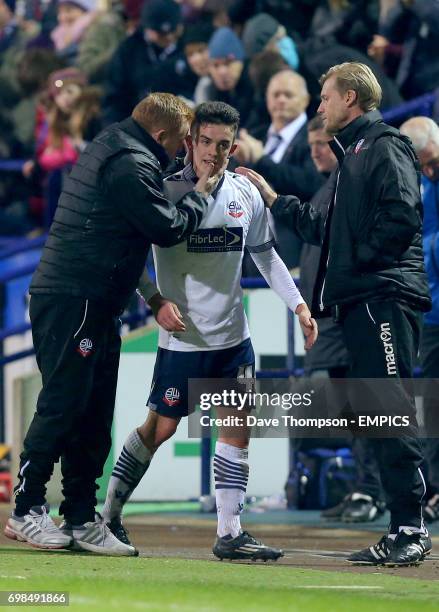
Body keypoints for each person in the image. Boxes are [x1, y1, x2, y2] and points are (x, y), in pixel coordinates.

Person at [101, 101, 318, 561]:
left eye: (223, 145)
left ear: (234, 147)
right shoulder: (162, 193)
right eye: (205, 143)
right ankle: (109, 515)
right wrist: (155, 301)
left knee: (237, 431)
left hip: (233, 342)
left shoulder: (247, 194)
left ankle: (229, 532)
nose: (214, 154)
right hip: (183, 342)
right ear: (188, 143)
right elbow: (127, 256)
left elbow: (265, 256)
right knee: (159, 429)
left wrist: (298, 305)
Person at [237, 62, 433, 567]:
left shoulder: (383, 145)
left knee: (390, 409)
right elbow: (319, 226)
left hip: (382, 298)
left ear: (350, 98)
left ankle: (410, 529)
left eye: (324, 98)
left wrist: (359, 263)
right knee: (377, 413)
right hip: (361, 300)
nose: (318, 107)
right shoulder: (352, 158)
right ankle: (400, 528)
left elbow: (403, 217)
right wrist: (274, 200)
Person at [5, 93, 213, 556]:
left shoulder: (116, 147)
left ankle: (79, 515)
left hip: (94, 299)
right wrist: (201, 194)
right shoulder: (130, 163)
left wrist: (151, 294)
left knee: (95, 411)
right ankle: (26, 508)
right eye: (180, 141)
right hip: (75, 295)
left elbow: (124, 233)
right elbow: (167, 227)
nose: (182, 151)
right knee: (63, 403)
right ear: (161, 135)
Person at [298, 115, 385, 523]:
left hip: (346, 313)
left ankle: (372, 491)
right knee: (350, 408)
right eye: (312, 143)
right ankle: (362, 488)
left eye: (322, 142)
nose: (316, 149)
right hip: (329, 315)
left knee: (365, 403)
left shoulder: (349, 185)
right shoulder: (325, 188)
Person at [400, 116, 439, 522]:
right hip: (431, 314)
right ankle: (436, 488)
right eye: (422, 166)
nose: (429, 171)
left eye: (432, 162)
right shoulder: (420, 183)